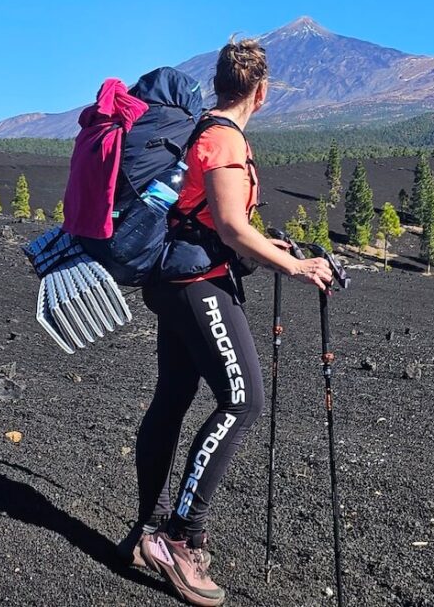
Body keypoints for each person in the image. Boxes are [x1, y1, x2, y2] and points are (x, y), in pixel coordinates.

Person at [117, 38, 332, 607]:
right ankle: (177, 537)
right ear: (261, 93)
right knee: (243, 401)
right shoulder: (224, 140)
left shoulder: (201, 128)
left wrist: (270, 246)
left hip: (177, 279)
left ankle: (150, 528)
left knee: (174, 396)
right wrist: (297, 265)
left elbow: (214, 218)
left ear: (219, 84)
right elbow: (234, 228)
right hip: (197, 285)